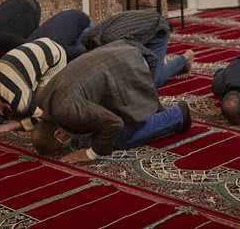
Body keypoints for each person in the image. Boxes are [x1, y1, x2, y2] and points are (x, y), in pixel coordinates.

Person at [30, 40, 191, 164]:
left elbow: (115, 123)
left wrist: (90, 154)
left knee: (122, 137)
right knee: (93, 129)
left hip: (129, 63)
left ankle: (177, 115)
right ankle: (160, 112)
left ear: (58, 133)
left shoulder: (68, 110)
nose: (67, 148)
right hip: (116, 50)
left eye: (62, 147)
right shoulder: (42, 98)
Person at [0, 37, 67, 134]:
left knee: (44, 103)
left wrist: (9, 126)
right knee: (26, 105)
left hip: (54, 56)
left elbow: (42, 116)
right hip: (38, 46)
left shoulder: (16, 96)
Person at [80, 10, 193, 88]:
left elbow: (147, 55)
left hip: (157, 28)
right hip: (138, 24)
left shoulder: (116, 43)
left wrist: (155, 63)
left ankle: (184, 59)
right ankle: (162, 62)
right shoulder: (88, 37)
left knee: (153, 82)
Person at [26, 10, 92, 61]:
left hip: (84, 23)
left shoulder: (54, 47)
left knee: (85, 52)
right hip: (70, 16)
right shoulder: (29, 44)